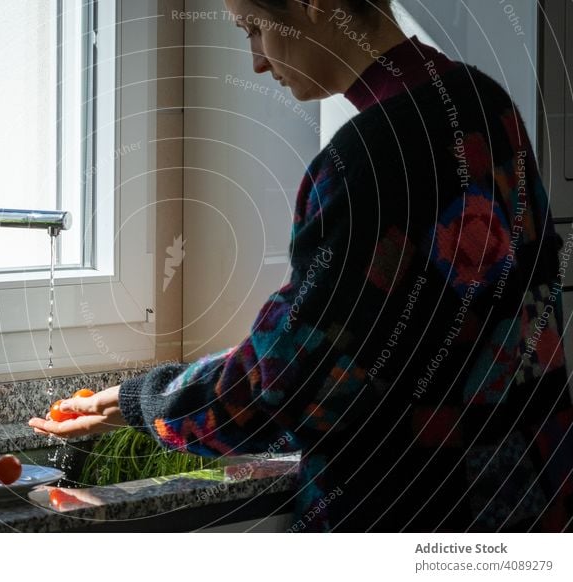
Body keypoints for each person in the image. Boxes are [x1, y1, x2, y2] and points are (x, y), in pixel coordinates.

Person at [29, 0, 573, 532]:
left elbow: (281, 385)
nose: (257, 60)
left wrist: (142, 400)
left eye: (253, 29)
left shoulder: (365, 163)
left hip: (412, 509)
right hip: (530, 492)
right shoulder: (483, 101)